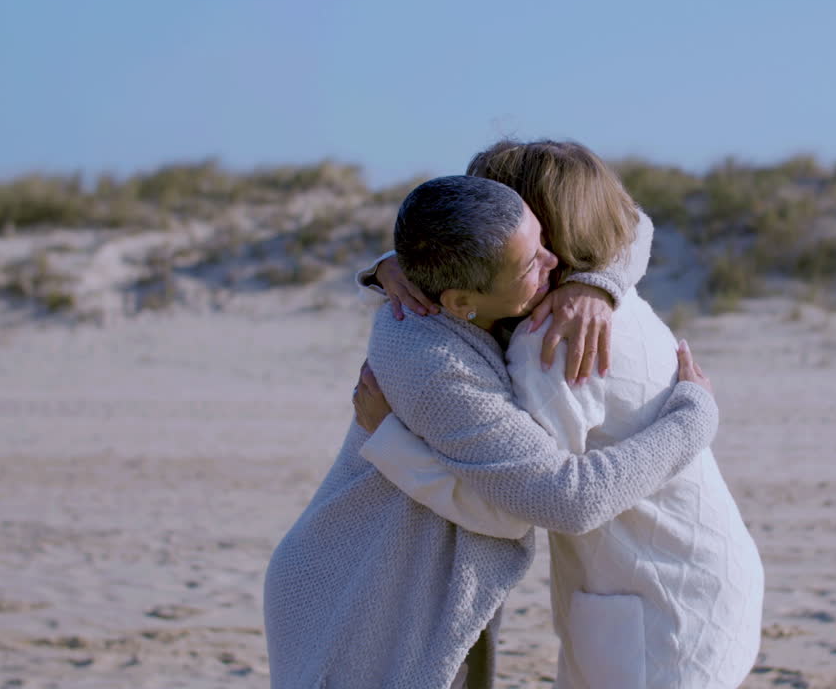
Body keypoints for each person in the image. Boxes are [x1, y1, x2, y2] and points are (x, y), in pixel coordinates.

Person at [262, 174, 719, 689]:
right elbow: (568, 500)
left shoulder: (477, 275)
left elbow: (631, 226)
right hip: (363, 595)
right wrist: (692, 418)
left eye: (544, 240)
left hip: (428, 582)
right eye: (532, 263)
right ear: (460, 302)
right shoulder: (434, 364)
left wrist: (596, 285)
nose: (555, 262)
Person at [359, 140, 764, 688]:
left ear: (539, 229)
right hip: (700, 576)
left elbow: (528, 507)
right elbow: (636, 224)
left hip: (660, 612)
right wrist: (395, 266)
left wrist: (389, 442)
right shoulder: (611, 299)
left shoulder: (552, 345)